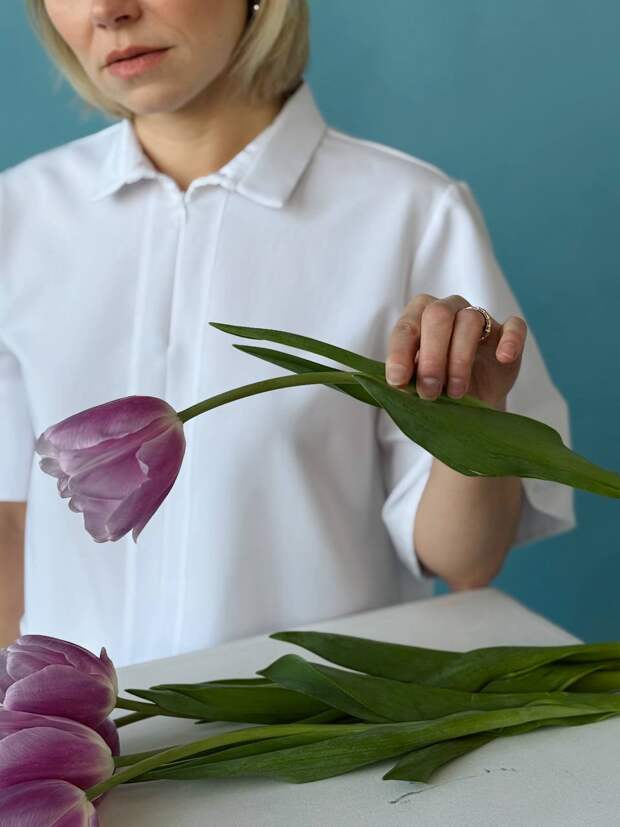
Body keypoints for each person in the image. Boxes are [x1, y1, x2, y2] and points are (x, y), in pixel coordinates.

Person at [0, 0, 575, 667]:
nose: (108, 11)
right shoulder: (19, 219)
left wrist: (476, 420)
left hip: (320, 718)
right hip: (88, 727)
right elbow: (11, 521)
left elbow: (464, 561)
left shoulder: (409, 215)